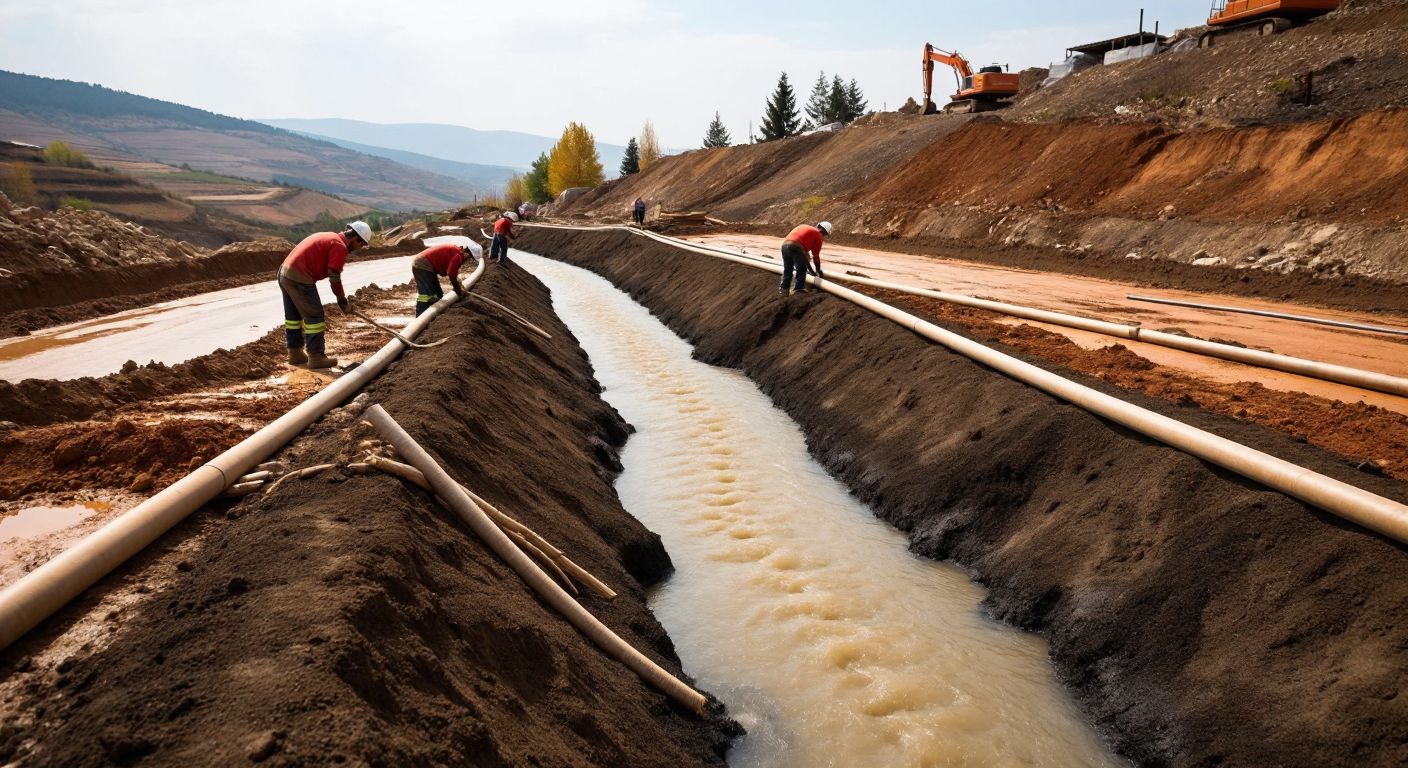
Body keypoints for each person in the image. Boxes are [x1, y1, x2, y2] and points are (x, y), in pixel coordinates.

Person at [279, 220, 370, 368]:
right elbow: (334, 276)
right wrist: (342, 301)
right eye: (362, 244)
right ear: (355, 239)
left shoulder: (330, 236)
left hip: (284, 273)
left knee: (293, 317)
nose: (360, 248)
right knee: (315, 316)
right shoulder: (339, 246)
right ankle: (316, 357)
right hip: (299, 277)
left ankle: (295, 353)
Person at [412, 240, 481, 316]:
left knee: (438, 294)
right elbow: (451, 273)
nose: (468, 259)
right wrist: (457, 289)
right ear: (468, 253)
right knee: (427, 294)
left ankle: (434, 315)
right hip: (422, 265)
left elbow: (446, 267)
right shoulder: (458, 255)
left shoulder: (457, 251)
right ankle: (420, 316)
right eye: (470, 257)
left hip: (426, 265)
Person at [779, 221, 831, 295]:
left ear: (818, 226)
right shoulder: (819, 236)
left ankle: (784, 289)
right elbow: (816, 256)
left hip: (785, 245)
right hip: (796, 246)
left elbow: (804, 255)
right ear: (825, 232)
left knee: (788, 269)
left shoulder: (804, 227)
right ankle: (798, 289)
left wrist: (811, 270)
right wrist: (818, 270)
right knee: (802, 269)